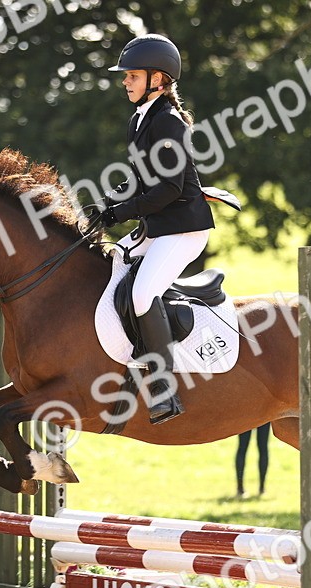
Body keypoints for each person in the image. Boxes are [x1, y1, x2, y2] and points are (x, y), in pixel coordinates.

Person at [100, 33, 215, 425]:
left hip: (183, 229)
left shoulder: (167, 122)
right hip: (160, 227)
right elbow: (140, 178)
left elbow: (170, 188)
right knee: (113, 269)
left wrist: (123, 212)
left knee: (143, 293)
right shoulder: (140, 119)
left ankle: (165, 391)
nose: (125, 82)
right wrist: (108, 204)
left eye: (132, 75)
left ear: (158, 79)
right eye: (126, 76)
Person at [236, 423, 271, 497]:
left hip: (246, 415)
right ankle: (262, 489)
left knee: (242, 448)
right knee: (263, 449)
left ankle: (240, 489)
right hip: (263, 414)